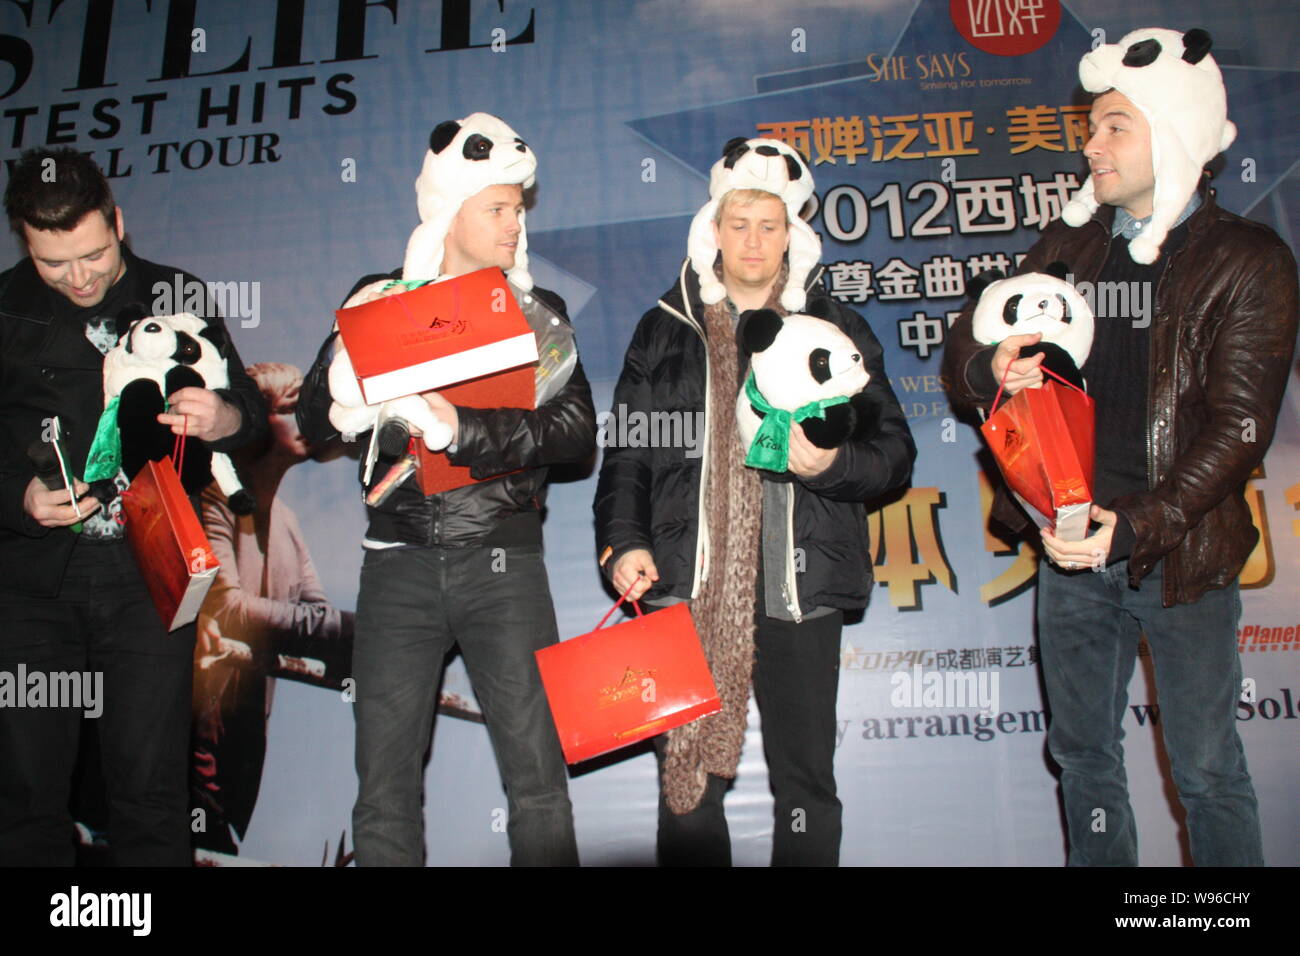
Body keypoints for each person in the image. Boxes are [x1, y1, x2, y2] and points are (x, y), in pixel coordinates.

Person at [942, 27, 1297, 865]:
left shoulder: (1248, 260)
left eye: (1113, 126)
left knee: (1207, 770)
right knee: (1083, 757)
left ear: (1169, 135)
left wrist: (1137, 525)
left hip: (1178, 552)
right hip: (1069, 549)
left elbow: (1242, 428)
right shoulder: (1070, 248)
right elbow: (965, 351)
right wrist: (990, 361)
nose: (1090, 144)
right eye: (1092, 126)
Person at [593, 137, 915, 866]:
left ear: (792, 234)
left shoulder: (835, 328)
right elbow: (630, 452)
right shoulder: (665, 328)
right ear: (713, 228)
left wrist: (831, 463)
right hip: (687, 582)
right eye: (739, 223)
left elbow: (894, 452)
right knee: (687, 782)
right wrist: (624, 541)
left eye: (770, 225)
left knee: (807, 783)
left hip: (799, 585)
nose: (753, 241)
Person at [297, 112, 593, 866]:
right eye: (497, 208)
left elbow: (575, 434)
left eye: (519, 209)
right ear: (449, 211)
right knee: (384, 789)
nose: (514, 225)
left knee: (539, 782)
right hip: (396, 562)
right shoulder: (380, 297)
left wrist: (462, 426)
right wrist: (355, 379)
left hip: (506, 563)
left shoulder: (537, 315)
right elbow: (309, 416)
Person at [0, 147, 266, 865]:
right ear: (24, 241)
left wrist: (223, 418)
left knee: (150, 790)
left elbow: (251, 417)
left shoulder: (178, 294)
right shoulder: (4, 308)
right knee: (26, 796)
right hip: (30, 586)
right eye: (54, 264)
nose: (78, 277)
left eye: (93, 253)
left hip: (147, 577)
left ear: (118, 222)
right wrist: (18, 495)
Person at [192, 362, 355, 856]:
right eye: (290, 408)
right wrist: (353, 629)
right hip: (183, 744)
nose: (307, 417)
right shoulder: (206, 496)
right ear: (254, 422)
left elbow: (318, 621)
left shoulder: (285, 521)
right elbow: (227, 609)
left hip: (235, 763)